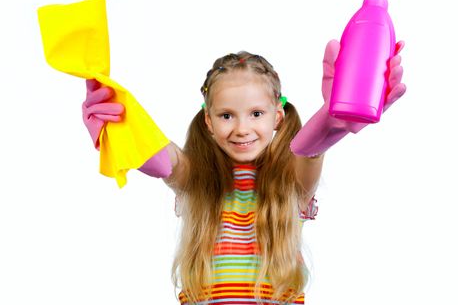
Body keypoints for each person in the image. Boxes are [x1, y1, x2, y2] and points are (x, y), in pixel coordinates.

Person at [82, 39, 406, 304]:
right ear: (208, 122)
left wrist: (330, 123)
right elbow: (169, 163)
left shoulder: (289, 181)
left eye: (255, 113)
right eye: (226, 116)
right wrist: (124, 129)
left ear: (277, 117)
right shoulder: (198, 180)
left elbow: (309, 153)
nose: (242, 128)